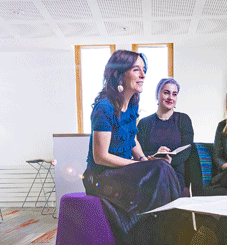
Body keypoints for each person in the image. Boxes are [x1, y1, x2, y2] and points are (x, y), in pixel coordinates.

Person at [80, 50, 182, 244]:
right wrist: (137, 165)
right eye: (137, 70)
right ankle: (167, 234)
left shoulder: (133, 103)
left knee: (163, 166)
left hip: (122, 172)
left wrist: (144, 159)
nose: (143, 75)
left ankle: (168, 232)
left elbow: (131, 138)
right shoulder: (105, 107)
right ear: (118, 74)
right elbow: (100, 157)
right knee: (161, 168)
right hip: (100, 176)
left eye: (143, 70)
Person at [137, 78, 194, 194]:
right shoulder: (144, 123)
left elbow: (186, 150)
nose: (170, 98)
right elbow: (140, 150)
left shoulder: (184, 120)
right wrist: (156, 155)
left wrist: (169, 161)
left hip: (175, 172)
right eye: (166, 93)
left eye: (174, 94)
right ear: (157, 95)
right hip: (150, 170)